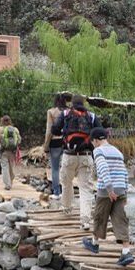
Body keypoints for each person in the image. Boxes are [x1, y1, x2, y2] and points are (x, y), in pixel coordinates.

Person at [82, 127, 134, 266]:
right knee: (121, 219)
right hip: (121, 189)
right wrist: (125, 191)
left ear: (96, 140)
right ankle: (126, 251)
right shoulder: (117, 151)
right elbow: (124, 172)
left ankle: (94, 243)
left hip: (106, 190)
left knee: (100, 216)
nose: (92, 144)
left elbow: (103, 169)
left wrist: (110, 189)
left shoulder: (98, 151)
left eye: (92, 141)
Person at [52, 94, 99, 230]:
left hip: (69, 155)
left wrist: (64, 132)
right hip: (86, 156)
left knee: (66, 183)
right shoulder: (92, 116)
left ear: (72, 103)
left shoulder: (65, 113)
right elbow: (100, 131)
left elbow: (54, 129)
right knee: (85, 189)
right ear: (84, 103)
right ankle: (85, 221)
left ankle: (67, 208)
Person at [44, 93, 69, 200]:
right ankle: (66, 191)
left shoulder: (51, 112)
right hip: (67, 142)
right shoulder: (69, 111)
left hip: (55, 142)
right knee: (66, 167)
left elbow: (49, 130)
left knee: (55, 168)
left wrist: (46, 145)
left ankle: (57, 192)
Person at [0, 115, 21, 190]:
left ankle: (7, 185)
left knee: (5, 167)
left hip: (3, 151)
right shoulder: (15, 129)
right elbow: (19, 140)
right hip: (13, 151)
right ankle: (11, 181)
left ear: (2, 121)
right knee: (11, 166)